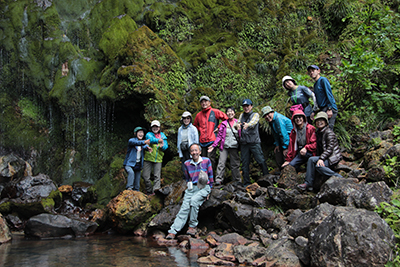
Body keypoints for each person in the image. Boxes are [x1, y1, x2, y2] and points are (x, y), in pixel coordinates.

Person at [166, 143, 213, 239]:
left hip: (204, 187)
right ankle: (173, 231)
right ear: (190, 153)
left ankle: (192, 226)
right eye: (192, 151)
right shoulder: (187, 163)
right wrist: (189, 187)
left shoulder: (206, 161)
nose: (194, 152)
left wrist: (209, 190)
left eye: (196, 150)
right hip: (192, 188)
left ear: (200, 151)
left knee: (194, 201)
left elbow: (211, 176)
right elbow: (188, 178)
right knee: (184, 207)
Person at [298, 111, 343, 191]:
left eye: (322, 120)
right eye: (318, 120)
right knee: (311, 159)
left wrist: (321, 159)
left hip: (332, 157)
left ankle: (337, 177)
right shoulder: (318, 133)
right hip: (325, 156)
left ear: (326, 122)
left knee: (318, 166)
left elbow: (330, 149)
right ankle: (308, 184)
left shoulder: (329, 133)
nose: (319, 122)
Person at [235, 99, 269, 187]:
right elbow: (237, 124)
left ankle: (267, 178)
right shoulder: (242, 115)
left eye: (248, 106)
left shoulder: (255, 115)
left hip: (254, 142)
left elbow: (253, 122)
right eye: (244, 106)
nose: (246, 108)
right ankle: (246, 182)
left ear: (251, 106)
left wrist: (248, 124)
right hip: (244, 143)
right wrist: (237, 126)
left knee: (260, 160)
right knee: (245, 163)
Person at [193, 95, 228, 171]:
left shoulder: (215, 112)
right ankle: (204, 178)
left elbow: (226, 119)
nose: (204, 103)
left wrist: (219, 127)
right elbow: (195, 125)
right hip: (202, 141)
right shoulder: (198, 115)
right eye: (202, 102)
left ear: (209, 102)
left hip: (212, 140)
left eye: (205, 101)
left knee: (210, 159)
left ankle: (211, 177)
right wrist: (200, 130)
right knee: (202, 160)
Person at [208, 107, 241, 185]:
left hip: (234, 146)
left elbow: (241, 135)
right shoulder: (224, 124)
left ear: (234, 113)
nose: (230, 113)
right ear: (226, 114)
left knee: (235, 164)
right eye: (228, 112)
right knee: (221, 163)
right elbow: (219, 136)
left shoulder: (238, 123)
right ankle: (218, 180)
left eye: (231, 111)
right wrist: (213, 146)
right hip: (224, 146)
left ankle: (237, 180)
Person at [307, 65, 338, 129]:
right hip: (322, 109)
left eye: (313, 71)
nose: (311, 73)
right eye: (310, 72)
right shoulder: (315, 84)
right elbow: (317, 100)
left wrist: (329, 108)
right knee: (321, 129)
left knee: (328, 129)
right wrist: (314, 111)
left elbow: (329, 94)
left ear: (318, 71)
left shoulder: (323, 80)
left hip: (328, 107)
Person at [123, 127, 153, 191]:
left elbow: (145, 146)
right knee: (131, 173)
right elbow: (137, 143)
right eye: (139, 132)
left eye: (142, 132)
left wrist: (148, 148)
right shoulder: (131, 141)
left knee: (137, 179)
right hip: (129, 164)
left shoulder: (142, 143)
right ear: (135, 133)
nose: (141, 134)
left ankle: (136, 190)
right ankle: (129, 188)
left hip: (138, 164)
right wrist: (144, 142)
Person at [142, 120, 168, 195]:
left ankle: (156, 191)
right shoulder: (148, 134)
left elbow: (166, 146)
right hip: (148, 158)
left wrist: (162, 147)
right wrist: (159, 141)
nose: (155, 128)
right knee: (145, 176)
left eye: (156, 126)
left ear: (159, 127)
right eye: (153, 126)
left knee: (157, 176)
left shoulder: (163, 135)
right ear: (151, 127)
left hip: (158, 158)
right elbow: (151, 140)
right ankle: (149, 190)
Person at [177, 111, 199, 177]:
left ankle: (193, 177)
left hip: (190, 149)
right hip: (182, 148)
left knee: (191, 163)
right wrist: (179, 150)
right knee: (184, 163)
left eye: (188, 118)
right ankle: (185, 177)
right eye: (184, 118)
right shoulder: (180, 129)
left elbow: (196, 140)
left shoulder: (193, 129)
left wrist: (195, 149)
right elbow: (178, 140)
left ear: (190, 119)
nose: (186, 120)